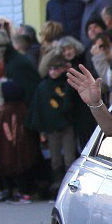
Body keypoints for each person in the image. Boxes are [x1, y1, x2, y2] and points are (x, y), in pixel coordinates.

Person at [28, 54, 77, 188]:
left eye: (57, 69)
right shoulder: (43, 86)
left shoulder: (68, 84)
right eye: (51, 69)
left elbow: (72, 104)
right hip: (51, 127)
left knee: (69, 158)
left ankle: (69, 184)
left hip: (67, 125)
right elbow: (39, 109)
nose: (53, 72)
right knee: (55, 159)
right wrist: (41, 130)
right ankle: (57, 183)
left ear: (63, 69)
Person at [0, 80, 40, 203]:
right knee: (22, 168)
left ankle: (20, 192)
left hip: (10, 147)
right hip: (22, 146)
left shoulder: (7, 111)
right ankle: (20, 192)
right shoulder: (22, 108)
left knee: (15, 168)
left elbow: (7, 131)